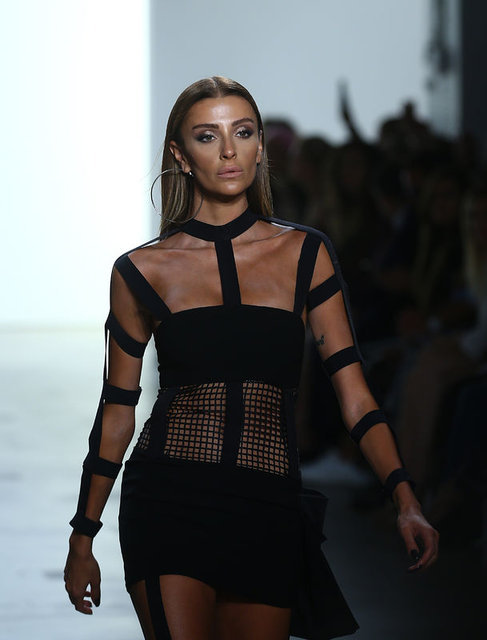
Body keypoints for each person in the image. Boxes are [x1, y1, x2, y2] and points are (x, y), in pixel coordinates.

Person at [64, 76, 438, 640]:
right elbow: (118, 411)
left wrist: (405, 498)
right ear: (180, 155)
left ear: (261, 146)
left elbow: (356, 397)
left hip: (267, 503)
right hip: (168, 498)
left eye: (242, 132)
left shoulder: (305, 254)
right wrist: (83, 535)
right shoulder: (141, 270)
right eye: (207, 136)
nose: (228, 151)